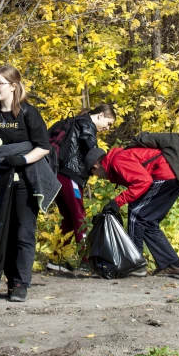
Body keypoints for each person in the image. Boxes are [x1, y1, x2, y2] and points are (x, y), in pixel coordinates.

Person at [0, 65, 52, 302]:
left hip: (25, 181)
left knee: (23, 233)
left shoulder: (28, 112)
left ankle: (20, 284)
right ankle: (0, 282)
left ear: (13, 86)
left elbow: (43, 147)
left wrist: (22, 159)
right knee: (2, 234)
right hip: (0, 183)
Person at [85, 145, 179, 280]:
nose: (99, 177)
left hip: (167, 174)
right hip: (177, 175)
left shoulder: (118, 160)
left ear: (95, 166)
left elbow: (144, 181)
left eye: (95, 175)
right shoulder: (118, 160)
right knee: (147, 221)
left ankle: (136, 264)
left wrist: (117, 202)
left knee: (136, 214)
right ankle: (174, 266)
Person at [54, 105, 116, 260]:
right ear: (100, 115)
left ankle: (56, 258)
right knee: (79, 216)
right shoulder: (87, 125)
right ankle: (87, 258)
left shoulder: (78, 123)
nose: (107, 128)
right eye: (108, 123)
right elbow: (92, 152)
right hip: (71, 175)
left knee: (69, 218)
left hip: (60, 174)